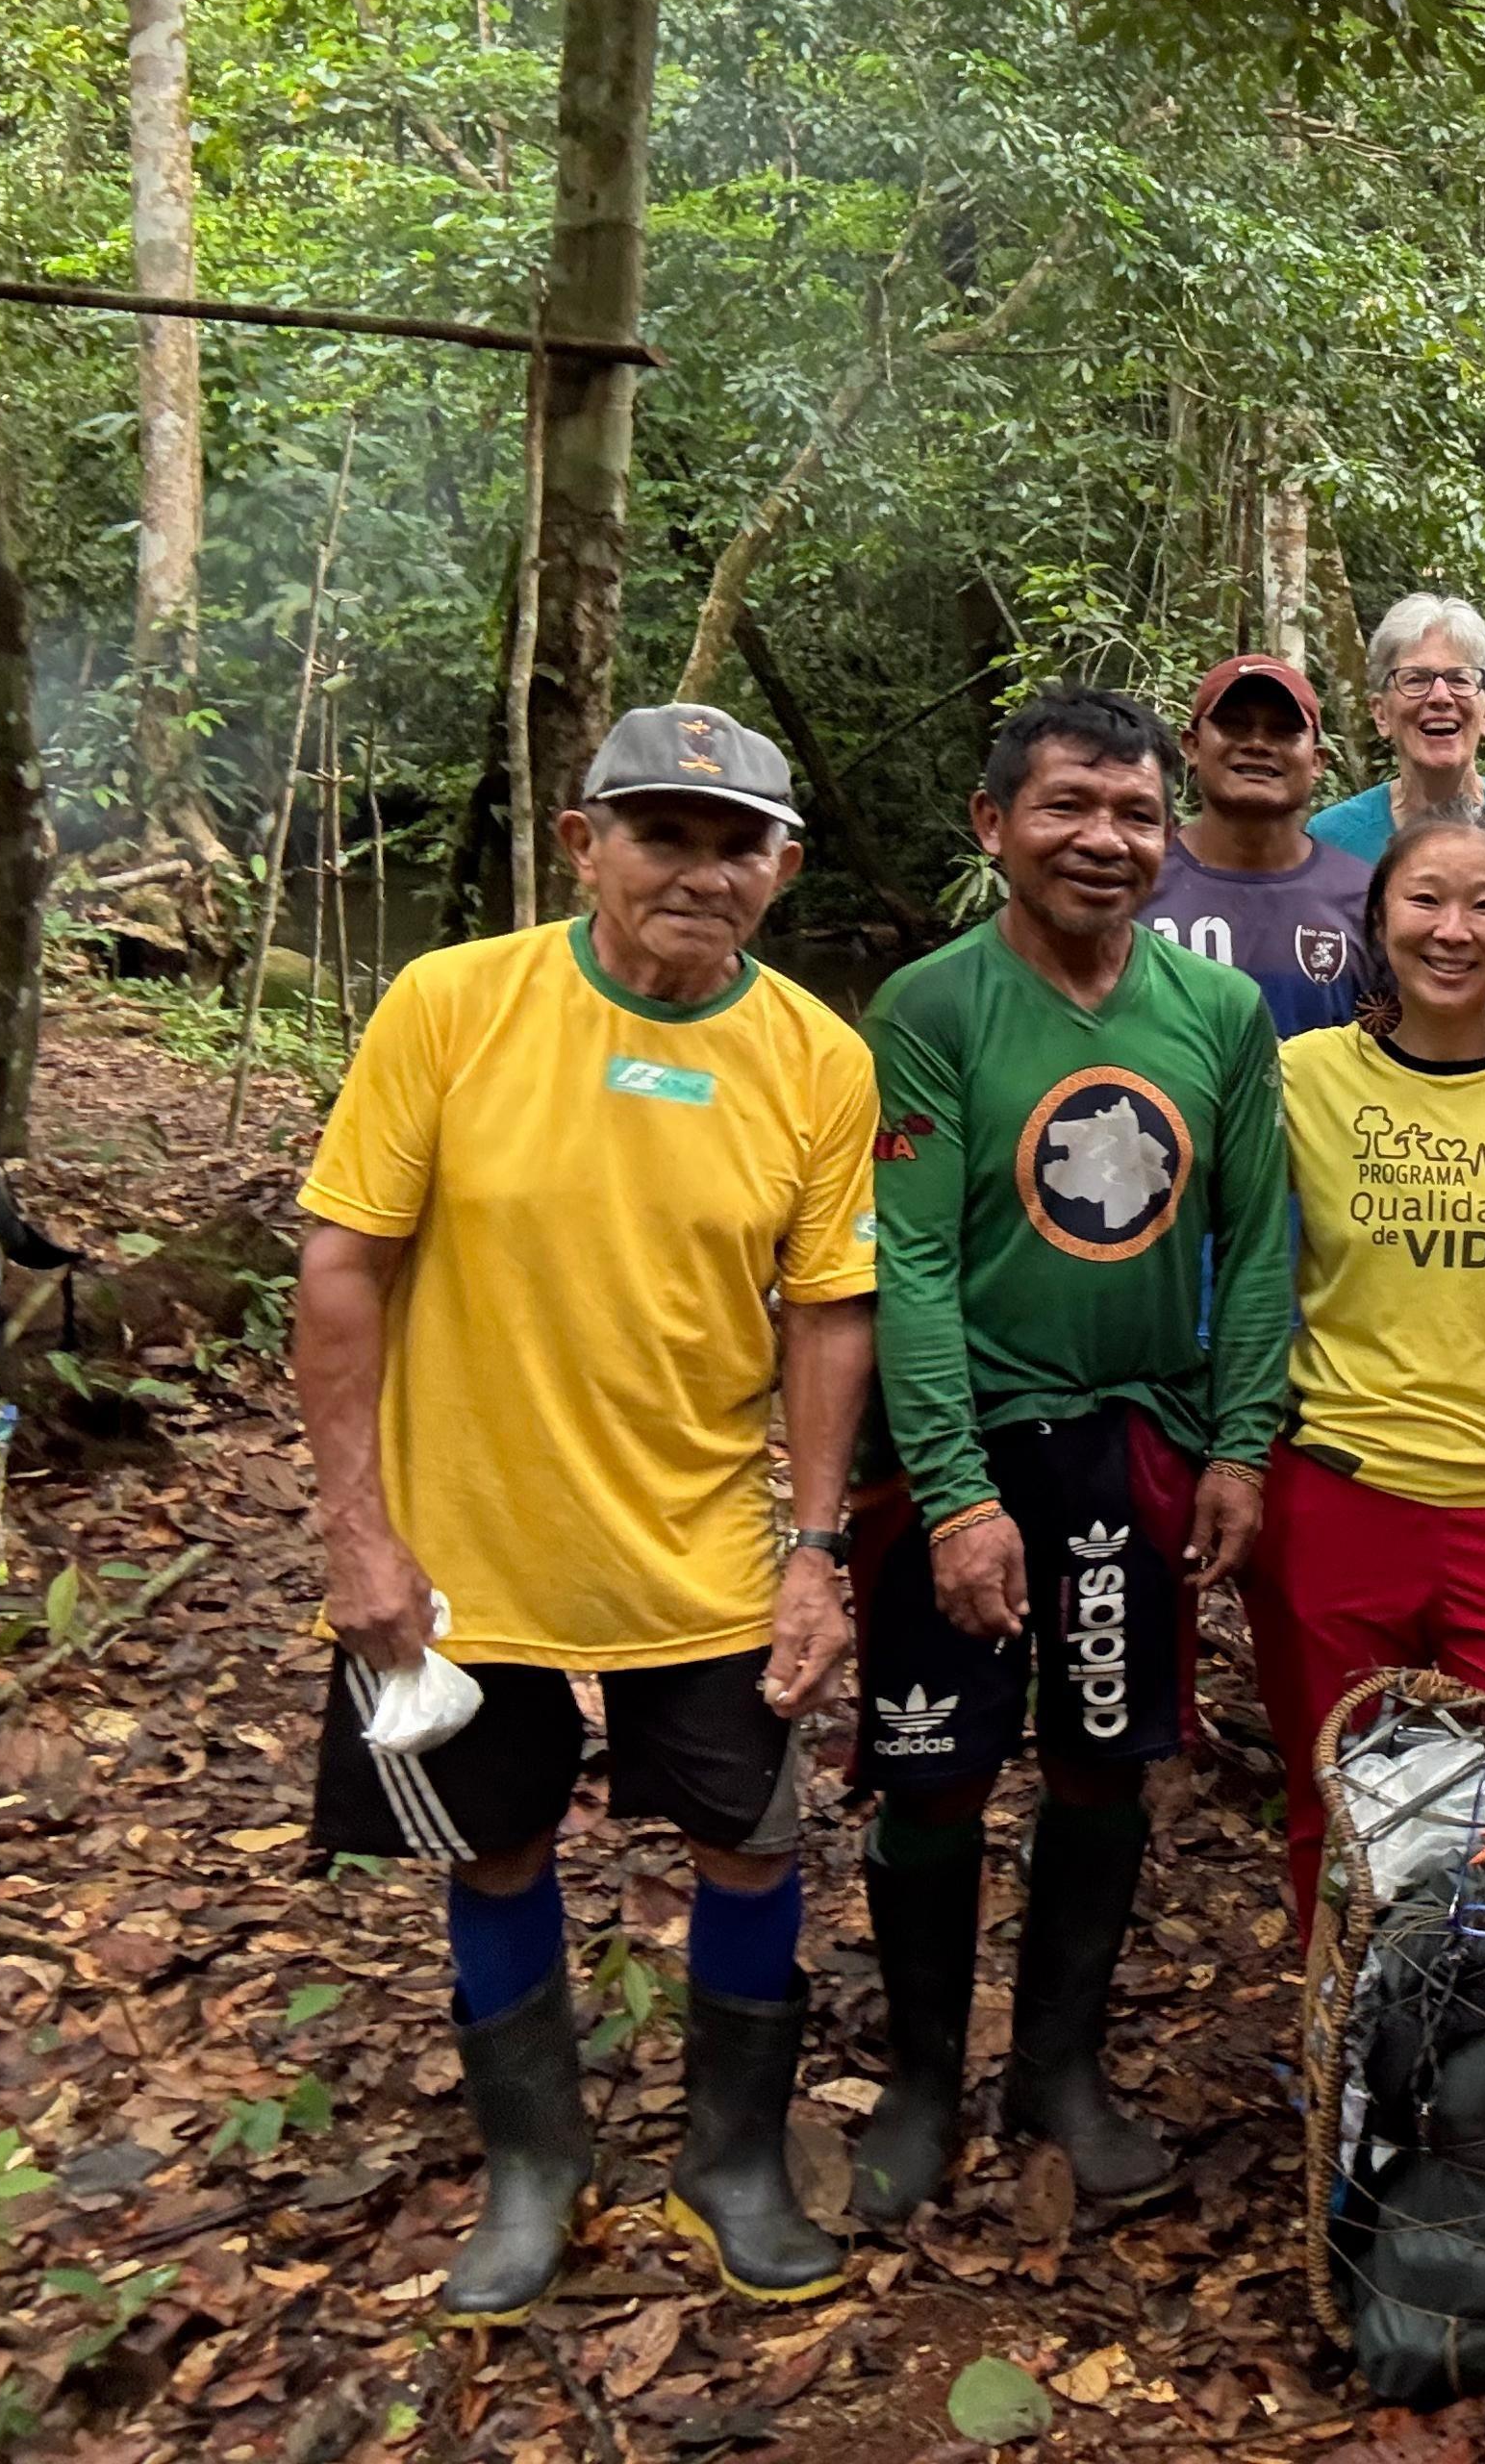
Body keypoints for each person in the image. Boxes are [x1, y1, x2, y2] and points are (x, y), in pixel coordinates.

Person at [298, 704, 874, 2317]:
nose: (699, 870)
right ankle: (533, 2162)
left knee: (751, 1843)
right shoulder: (455, 1002)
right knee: (493, 1847)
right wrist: (355, 1528)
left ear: (783, 864)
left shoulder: (817, 1055)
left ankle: (732, 2156)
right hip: (467, 1541)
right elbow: (346, 1262)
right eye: (661, 833)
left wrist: (816, 1548)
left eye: (735, 840)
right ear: (582, 842)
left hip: (700, 1538)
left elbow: (831, 1308)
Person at [848, 688, 1292, 2225]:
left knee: (1106, 1757)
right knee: (933, 1771)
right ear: (994, 828)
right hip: (956, 1442)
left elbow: (1256, 1243)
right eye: (1067, 809)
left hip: (1133, 1440)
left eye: (1135, 815)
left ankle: (1059, 2069)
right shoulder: (932, 1007)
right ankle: (917, 2080)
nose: (1105, 841)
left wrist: (1242, 1443)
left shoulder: (1217, 1015)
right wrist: (957, 1491)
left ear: (1169, 840)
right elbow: (903, 1262)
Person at [1244, 803, 1485, 1932]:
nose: (1452, 929)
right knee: (1340, 1804)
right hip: (1338, 1495)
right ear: (1378, 922)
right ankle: (1340, 2063)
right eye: (1425, 900)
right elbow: (1249, 1261)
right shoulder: (1302, 1077)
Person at [1141, 651, 1372, 1035]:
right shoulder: (1136, 880)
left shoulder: (1365, 898)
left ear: (1317, 761)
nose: (1258, 743)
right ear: (1192, 746)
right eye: (1234, 726)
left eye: (1283, 730)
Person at [1304, 592, 1485, 870]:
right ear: (1381, 713)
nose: (1440, 696)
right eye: (1416, 679)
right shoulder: (1332, 839)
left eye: (1459, 679)